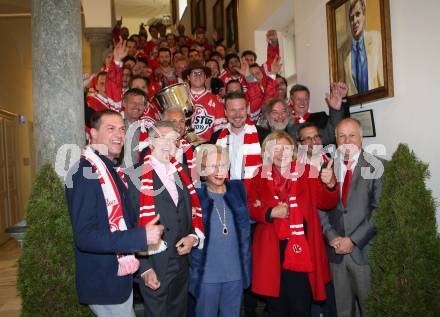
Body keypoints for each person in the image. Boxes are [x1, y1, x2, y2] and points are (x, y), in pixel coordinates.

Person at [65, 109, 164, 316]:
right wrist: (140, 236)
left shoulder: (108, 169)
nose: (119, 134)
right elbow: (84, 237)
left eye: (121, 129)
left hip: (119, 278)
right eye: (110, 128)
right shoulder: (84, 173)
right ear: (92, 134)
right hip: (105, 281)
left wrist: (143, 266)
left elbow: (123, 222)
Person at [248, 131, 339, 316]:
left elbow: (326, 203)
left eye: (286, 148)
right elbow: (251, 205)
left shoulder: (308, 171)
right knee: (276, 307)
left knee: (300, 305)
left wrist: (330, 184)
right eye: (276, 149)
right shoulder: (259, 173)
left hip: (303, 248)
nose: (281, 153)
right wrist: (270, 211)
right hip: (272, 251)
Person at [129, 121, 204, 317]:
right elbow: (130, 225)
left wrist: (192, 238)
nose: (167, 143)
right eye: (162, 137)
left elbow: (190, 214)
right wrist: (144, 269)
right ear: (151, 142)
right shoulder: (134, 176)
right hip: (154, 263)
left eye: (173, 139)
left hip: (181, 263)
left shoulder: (182, 174)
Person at [324, 118, 386, 317]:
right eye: (341, 135)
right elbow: (321, 208)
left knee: (370, 309)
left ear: (361, 139)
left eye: (352, 135)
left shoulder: (378, 166)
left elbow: (379, 210)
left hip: (364, 252)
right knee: (343, 310)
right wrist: (331, 236)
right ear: (335, 139)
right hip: (336, 253)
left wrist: (353, 240)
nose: (346, 140)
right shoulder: (327, 167)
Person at [189, 145, 251, 317]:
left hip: (235, 273)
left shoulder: (238, 190)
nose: (219, 171)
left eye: (223, 165)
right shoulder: (195, 197)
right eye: (212, 166)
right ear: (202, 169)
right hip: (206, 276)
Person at [297, 122, 338, 317]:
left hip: (335, 231)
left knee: (331, 282)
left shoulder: (331, 159)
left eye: (316, 137)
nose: (314, 141)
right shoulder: (294, 167)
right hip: (310, 233)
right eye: (308, 138)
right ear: (300, 143)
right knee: (312, 283)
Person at [341, 0, 383, 95]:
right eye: (351, 18)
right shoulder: (344, 51)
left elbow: (383, 78)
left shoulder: (376, 38)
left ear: (364, 15)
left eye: (358, 14)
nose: (354, 21)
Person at [184, 61, 227, 142]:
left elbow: (220, 132)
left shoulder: (216, 100)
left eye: (201, 73)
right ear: (188, 77)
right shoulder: (181, 99)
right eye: (194, 73)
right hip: (184, 149)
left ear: (205, 77)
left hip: (208, 149)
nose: (198, 76)